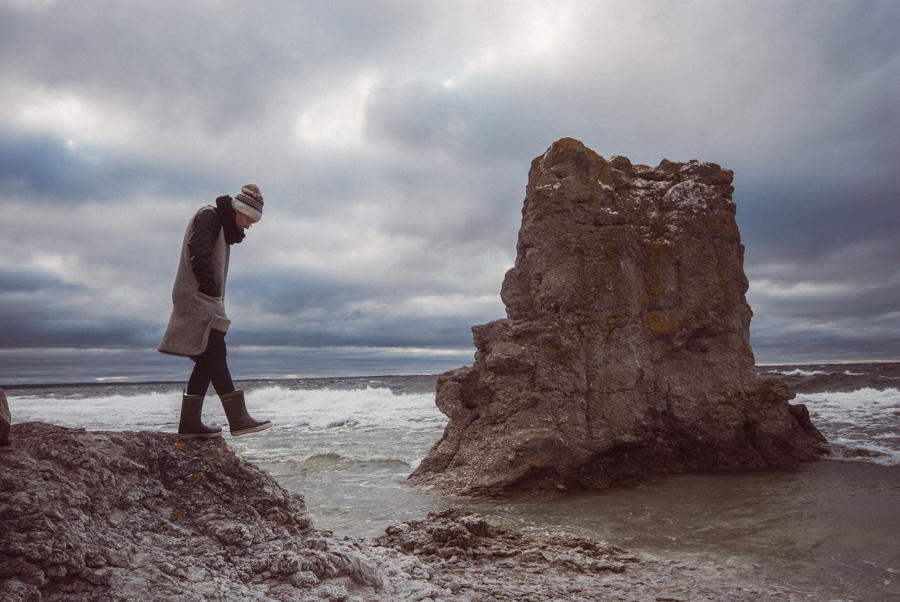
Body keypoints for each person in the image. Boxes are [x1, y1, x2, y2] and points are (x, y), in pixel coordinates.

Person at [158, 185, 272, 438]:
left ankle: (190, 425)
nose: (248, 226)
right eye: (248, 219)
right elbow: (199, 253)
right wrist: (210, 290)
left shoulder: (221, 225)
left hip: (203, 295)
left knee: (208, 359)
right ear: (239, 210)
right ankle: (238, 419)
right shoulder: (209, 215)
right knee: (216, 352)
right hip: (197, 295)